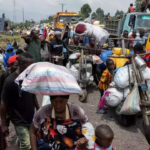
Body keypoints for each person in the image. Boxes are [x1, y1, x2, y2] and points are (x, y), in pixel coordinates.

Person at [0, 52, 40, 150]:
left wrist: (39, 110)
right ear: (21, 64)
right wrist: (4, 124)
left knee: (29, 137)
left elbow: (33, 95)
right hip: (18, 119)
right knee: (27, 145)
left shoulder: (29, 77)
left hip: (30, 116)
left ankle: (18, 144)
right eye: (30, 66)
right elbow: (3, 103)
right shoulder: (10, 81)